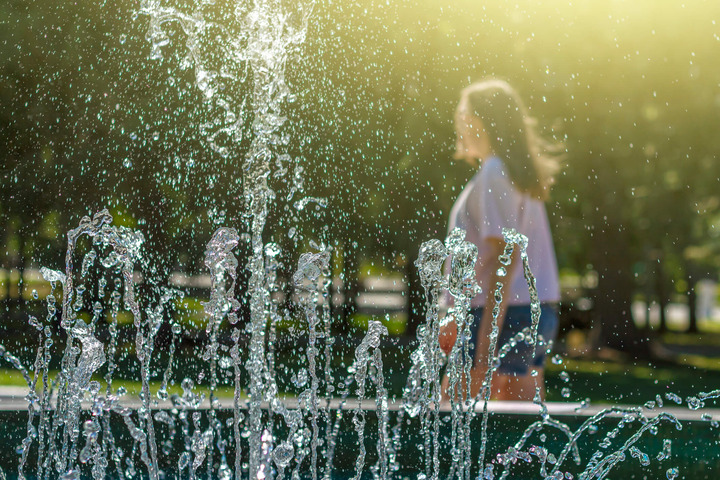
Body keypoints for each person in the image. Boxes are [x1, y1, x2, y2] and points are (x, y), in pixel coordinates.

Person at [439, 79, 563, 401]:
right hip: (531, 310)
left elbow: (503, 262)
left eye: (462, 117)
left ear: (479, 121)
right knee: (522, 433)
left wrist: (483, 349)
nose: (459, 126)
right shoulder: (514, 173)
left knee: (454, 422)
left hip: (502, 314)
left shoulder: (495, 172)